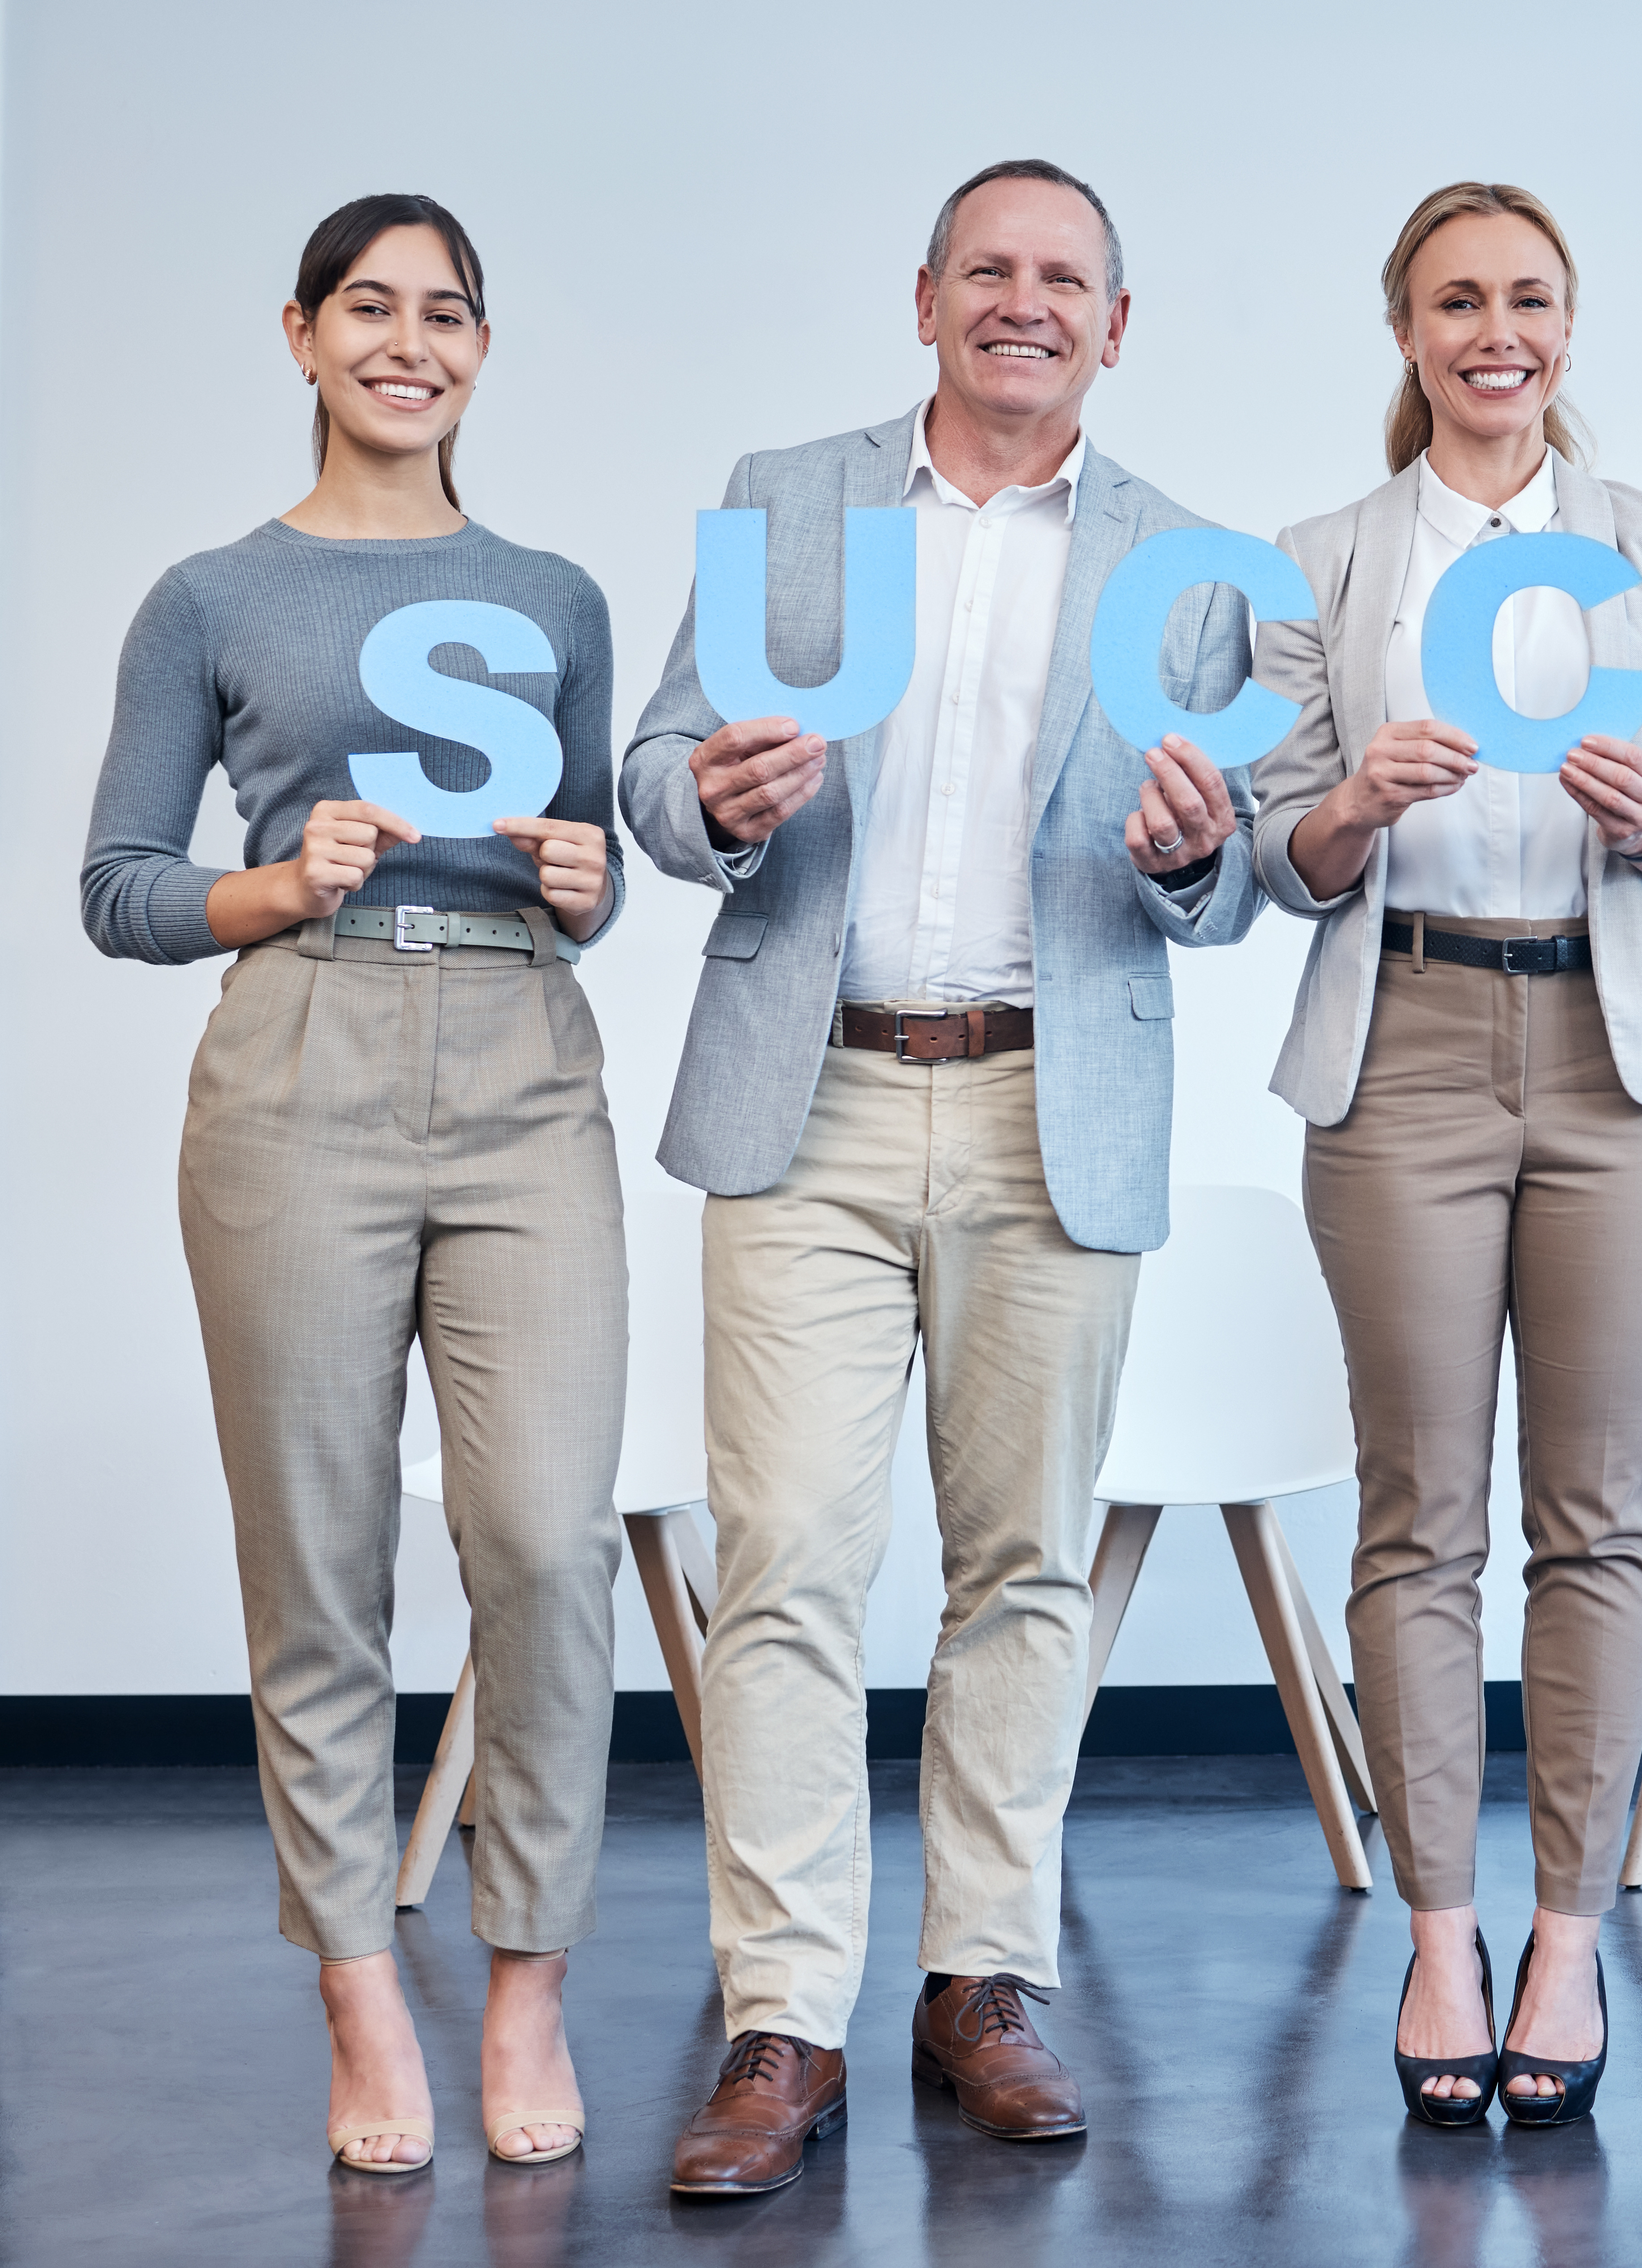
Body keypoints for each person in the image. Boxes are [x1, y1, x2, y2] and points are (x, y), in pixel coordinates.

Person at [621, 159, 1262, 2194]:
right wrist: (706, 803)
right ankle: (780, 2012)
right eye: (985, 270)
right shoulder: (785, 497)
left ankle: (983, 1978)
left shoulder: (1182, 561)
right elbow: (652, 770)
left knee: (1022, 1573)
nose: (1022, 302)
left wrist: (1190, 856)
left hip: (1041, 1100)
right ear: (922, 303)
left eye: (1062, 277)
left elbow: (1233, 871)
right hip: (803, 1096)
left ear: (1115, 324)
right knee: (791, 1562)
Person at [79, 193, 627, 2173]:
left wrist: (589, 876)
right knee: (318, 1564)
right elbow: (117, 885)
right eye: (372, 310)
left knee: (550, 1544)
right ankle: (359, 1996)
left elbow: (588, 857)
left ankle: (530, 1978)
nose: (412, 343)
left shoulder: (554, 594)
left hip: (517, 1059)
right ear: (299, 335)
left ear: (483, 349)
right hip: (296, 1054)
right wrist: (271, 883)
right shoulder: (210, 597)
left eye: (450, 314)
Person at [1251, 181, 1642, 2127]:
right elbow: (1272, 851)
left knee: (1597, 1506)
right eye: (1456, 300)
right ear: (1402, 328)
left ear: (1568, 325)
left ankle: (1567, 1925)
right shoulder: (1321, 561)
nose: (1495, 331)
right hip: (1403, 1046)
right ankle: (1438, 1926)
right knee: (1417, 1510)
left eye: (1528, 299)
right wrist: (1353, 806)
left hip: (1617, 1050)